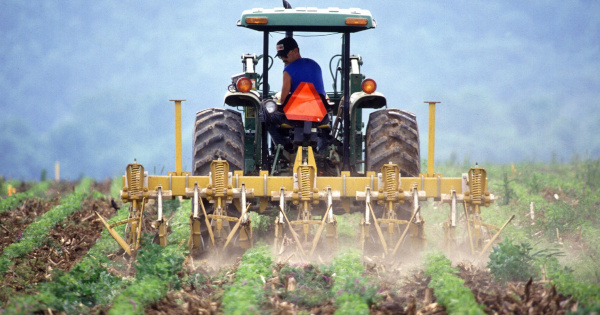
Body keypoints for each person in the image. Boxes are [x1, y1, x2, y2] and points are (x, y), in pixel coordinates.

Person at [264, 37, 329, 151]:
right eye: (280, 56)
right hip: (320, 116)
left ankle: (285, 146)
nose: (283, 58)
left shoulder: (288, 70)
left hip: (295, 118)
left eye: (285, 55)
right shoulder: (315, 65)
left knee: (264, 113)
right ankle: (322, 149)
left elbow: (283, 99)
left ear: (296, 51)